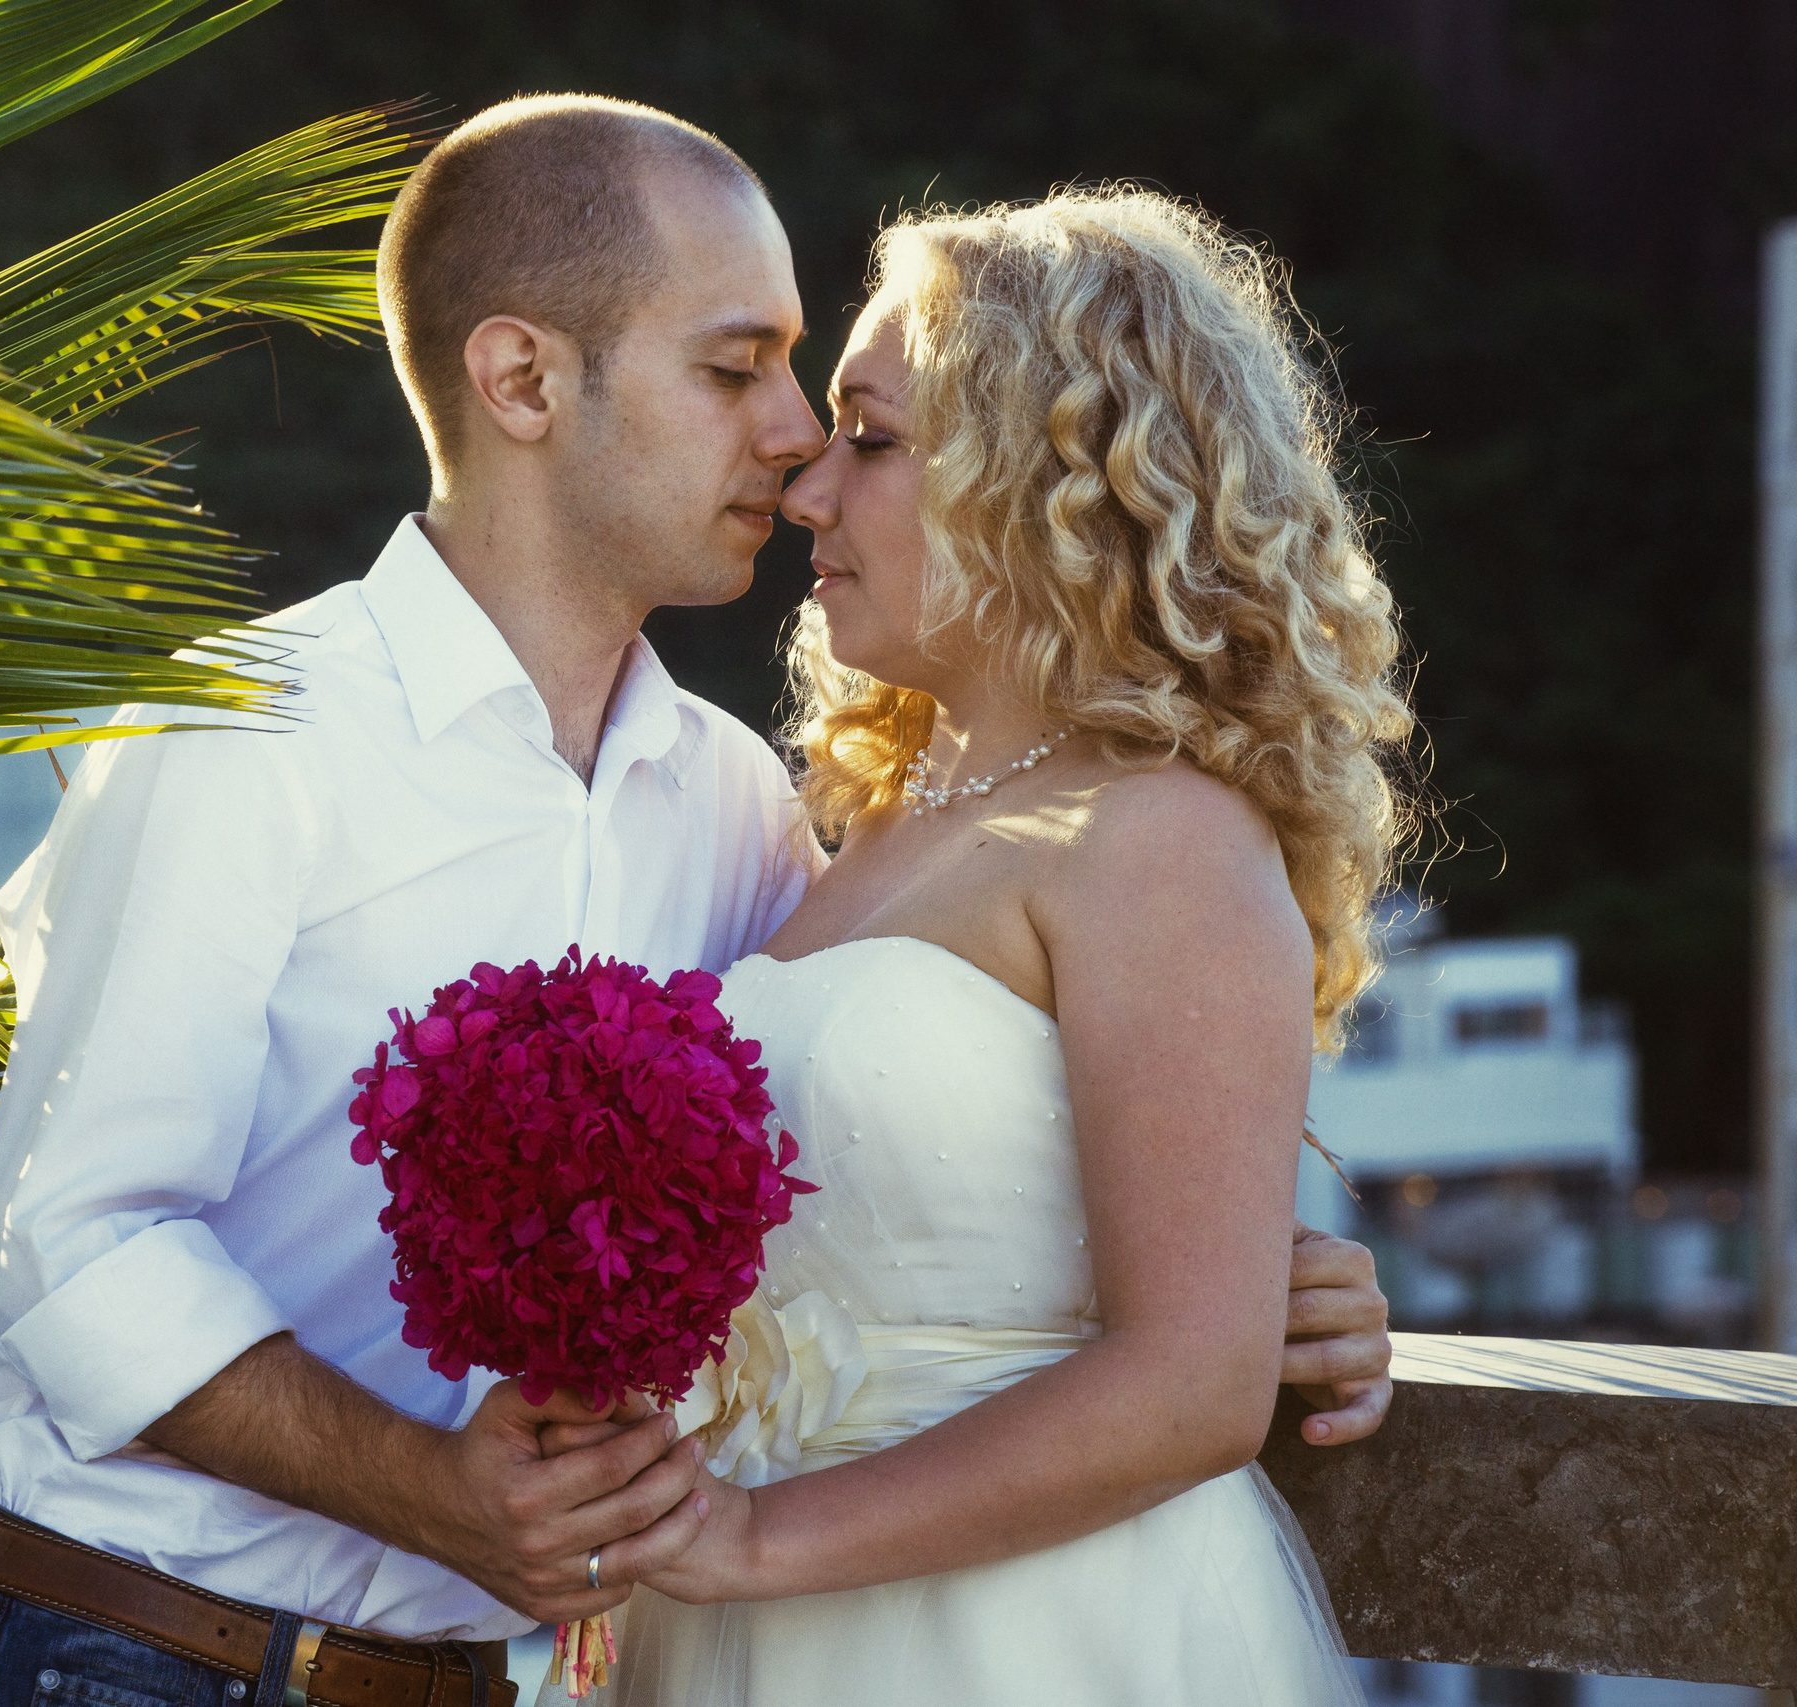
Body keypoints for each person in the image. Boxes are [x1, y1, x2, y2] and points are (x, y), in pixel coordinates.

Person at [0, 99, 1393, 1707]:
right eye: (735, 368)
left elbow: (912, 1130)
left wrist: (1260, 1283)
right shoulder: (253, 732)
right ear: (524, 379)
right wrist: (427, 1489)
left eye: (826, 395)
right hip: (124, 1653)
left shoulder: (739, 807)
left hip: (486, 1680)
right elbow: (73, 1243)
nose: (796, 439)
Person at [601, 186, 1405, 1704]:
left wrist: (758, 1541)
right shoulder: (850, 841)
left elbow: (1189, 1385)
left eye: (873, 438)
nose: (807, 491)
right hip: (734, 1625)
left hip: (1009, 1638)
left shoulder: (1157, 834)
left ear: (1054, 477)